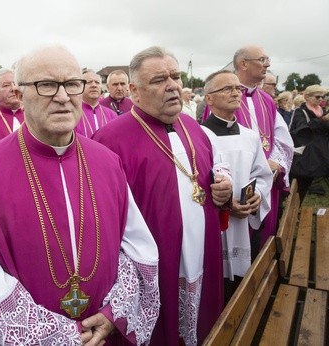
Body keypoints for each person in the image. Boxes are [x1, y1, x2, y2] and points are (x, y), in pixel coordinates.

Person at [0, 45, 161, 346]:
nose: (62, 96)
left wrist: (113, 313)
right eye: (46, 85)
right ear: (19, 95)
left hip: (104, 335)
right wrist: (60, 337)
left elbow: (137, 248)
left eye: (72, 84)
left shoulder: (108, 162)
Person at [94, 46, 233, 346]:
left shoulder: (195, 128)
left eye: (176, 76)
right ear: (135, 91)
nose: (172, 85)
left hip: (202, 253)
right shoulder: (109, 140)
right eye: (159, 80)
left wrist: (223, 187)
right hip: (153, 263)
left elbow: (212, 172)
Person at [203, 45, 293, 250]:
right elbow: (212, 156)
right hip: (227, 195)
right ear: (243, 64)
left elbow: (282, 138)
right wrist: (227, 201)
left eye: (237, 89)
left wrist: (275, 162)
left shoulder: (268, 101)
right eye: (262, 59)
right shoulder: (215, 111)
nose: (268, 64)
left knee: (255, 246)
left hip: (259, 180)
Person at [201, 70, 273, 301]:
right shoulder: (198, 136)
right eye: (227, 88)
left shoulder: (250, 136)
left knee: (239, 289)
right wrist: (225, 205)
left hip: (243, 222)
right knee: (214, 286)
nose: (235, 92)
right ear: (209, 98)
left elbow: (262, 175)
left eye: (238, 88)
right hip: (213, 222)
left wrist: (257, 197)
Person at [289, 85, 329, 202]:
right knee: (299, 186)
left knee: (306, 185)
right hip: (306, 156)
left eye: (323, 97)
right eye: (317, 97)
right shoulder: (300, 112)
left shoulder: (322, 111)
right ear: (307, 97)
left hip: (320, 154)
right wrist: (323, 120)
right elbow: (302, 130)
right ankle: (293, 209)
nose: (321, 100)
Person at [75, 69, 116, 137]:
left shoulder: (112, 115)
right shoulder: (73, 114)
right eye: (89, 82)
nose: (94, 85)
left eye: (97, 82)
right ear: (80, 87)